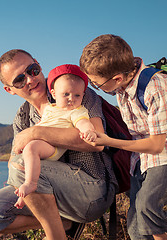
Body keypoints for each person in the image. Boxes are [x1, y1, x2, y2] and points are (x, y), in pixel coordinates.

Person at [0, 49, 117, 240]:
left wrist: (36, 132)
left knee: (23, 164)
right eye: (19, 80)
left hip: (91, 189)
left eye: (32, 70)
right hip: (48, 193)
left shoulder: (72, 90)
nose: (30, 80)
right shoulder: (22, 117)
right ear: (9, 89)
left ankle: (55, 236)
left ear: (39, 66)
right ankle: (65, 223)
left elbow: (97, 142)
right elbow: (15, 164)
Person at [79, 34, 167, 240]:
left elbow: (156, 145)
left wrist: (107, 140)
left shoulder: (156, 87)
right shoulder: (122, 84)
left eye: (96, 84)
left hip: (161, 157)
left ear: (117, 78)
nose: (94, 87)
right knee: (136, 228)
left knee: (148, 209)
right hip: (139, 160)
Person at [14, 64, 97, 210]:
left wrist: (88, 131)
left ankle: (31, 183)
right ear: (53, 94)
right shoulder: (50, 109)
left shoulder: (77, 111)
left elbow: (83, 122)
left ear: (83, 96)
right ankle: (23, 197)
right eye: (66, 94)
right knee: (23, 162)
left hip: (53, 147)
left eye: (77, 95)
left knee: (31, 149)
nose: (71, 98)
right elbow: (41, 124)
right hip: (41, 145)